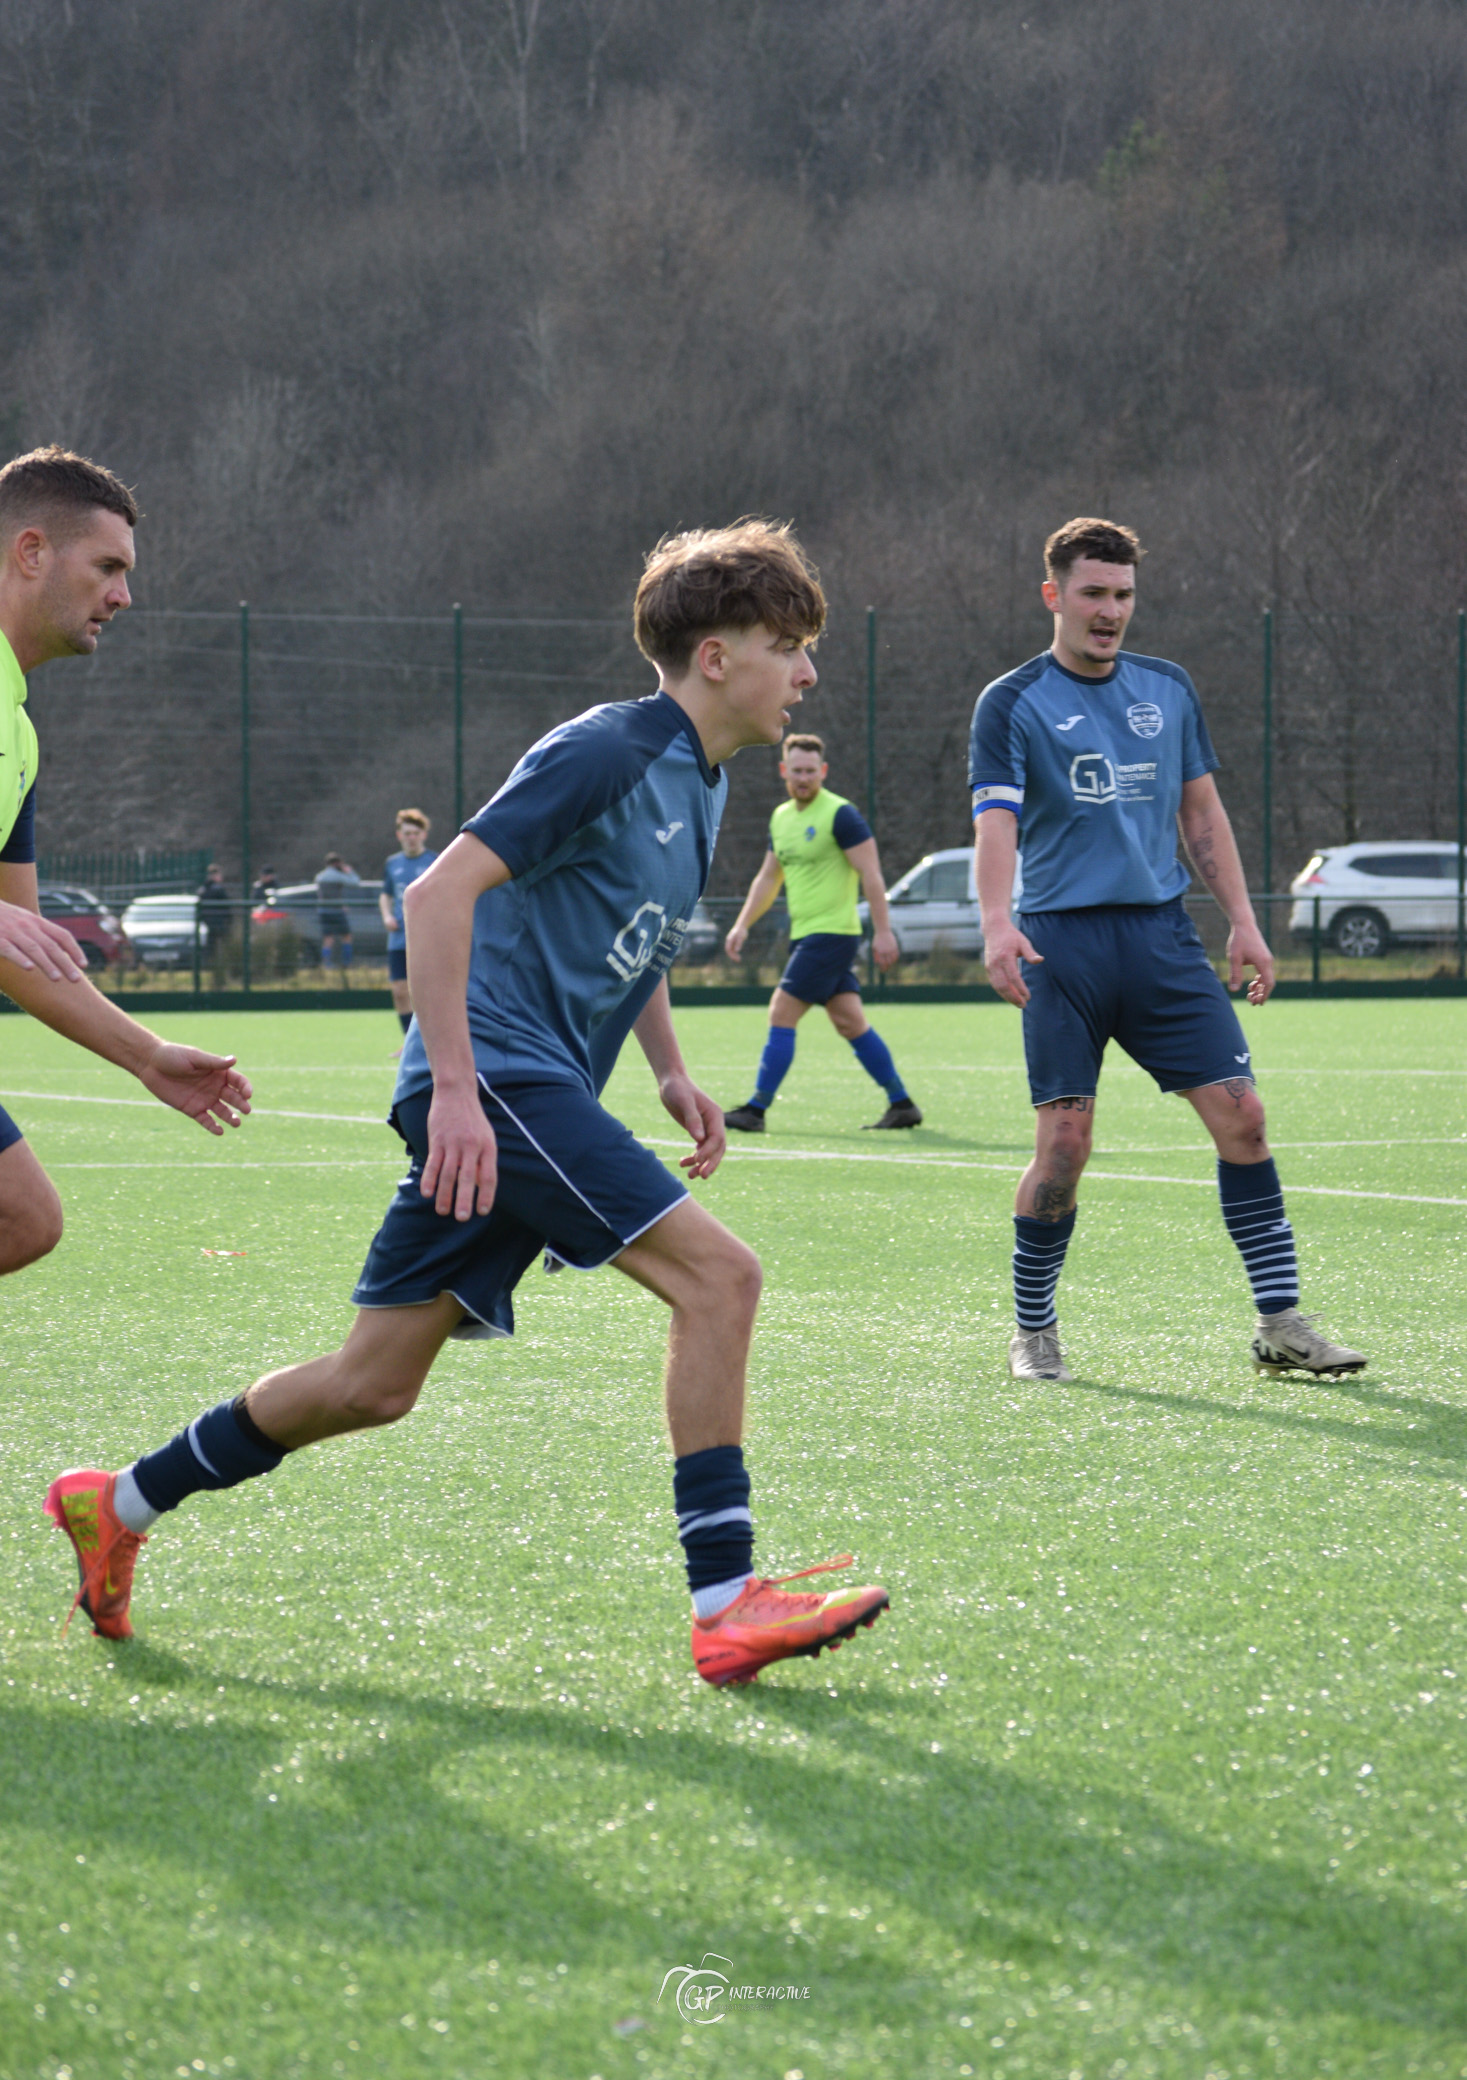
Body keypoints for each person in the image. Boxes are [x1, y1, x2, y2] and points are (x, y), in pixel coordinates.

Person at [45, 519, 889, 1685]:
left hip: (522, 1091)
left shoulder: (698, 789)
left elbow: (627, 948)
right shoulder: (611, 748)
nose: (803, 674)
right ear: (713, 656)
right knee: (721, 1277)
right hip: (497, 1078)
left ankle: (120, 1500)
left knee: (372, 1383)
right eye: (787, 645)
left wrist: (669, 1069)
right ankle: (726, 1598)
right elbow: (443, 895)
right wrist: (452, 1089)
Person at [970, 514, 1366, 1383]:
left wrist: (1245, 921)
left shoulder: (1168, 689)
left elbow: (1200, 814)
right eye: (1092, 594)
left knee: (1243, 1118)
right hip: (1060, 950)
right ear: (1054, 596)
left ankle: (1280, 1323)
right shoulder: (1011, 701)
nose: (1109, 611)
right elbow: (993, 822)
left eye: (1122, 595)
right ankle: (1033, 1328)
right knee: (1064, 1147)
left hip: (1159, 939)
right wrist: (997, 922)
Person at [0, 445, 250, 1317]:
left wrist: (146, 1057)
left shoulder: (19, 743)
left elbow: (19, 948)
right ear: (32, 553)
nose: (124, 595)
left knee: (22, 1217)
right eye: (107, 567)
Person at [723, 733, 921, 1132]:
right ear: (783, 771)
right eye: (796, 770)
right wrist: (742, 924)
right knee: (850, 1022)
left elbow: (871, 873)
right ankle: (902, 1104)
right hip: (807, 935)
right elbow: (768, 877)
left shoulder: (840, 814)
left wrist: (883, 931)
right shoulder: (781, 818)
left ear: (823, 772)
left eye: (811, 771)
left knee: (781, 1011)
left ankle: (756, 1110)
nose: (803, 778)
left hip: (832, 934)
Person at [379, 808, 438, 1038]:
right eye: (407, 833)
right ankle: (408, 1042)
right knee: (400, 992)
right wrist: (386, 916)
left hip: (426, 939)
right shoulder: (392, 863)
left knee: (426, 992)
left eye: (415, 833)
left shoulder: (435, 860)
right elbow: (386, 894)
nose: (411, 837)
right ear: (399, 836)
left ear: (423, 835)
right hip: (398, 938)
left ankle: (428, 1041)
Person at [315, 852, 359, 978]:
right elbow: (355, 882)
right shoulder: (337, 876)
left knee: (328, 939)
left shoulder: (319, 876)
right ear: (336, 863)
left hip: (323, 911)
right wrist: (349, 871)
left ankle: (326, 964)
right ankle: (347, 963)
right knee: (346, 936)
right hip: (337, 911)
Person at [196, 862, 231, 969]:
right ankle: (222, 965)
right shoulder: (218, 890)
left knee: (210, 946)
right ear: (215, 875)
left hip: (207, 922)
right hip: (219, 923)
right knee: (224, 945)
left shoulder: (202, 889)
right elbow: (226, 907)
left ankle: (209, 965)